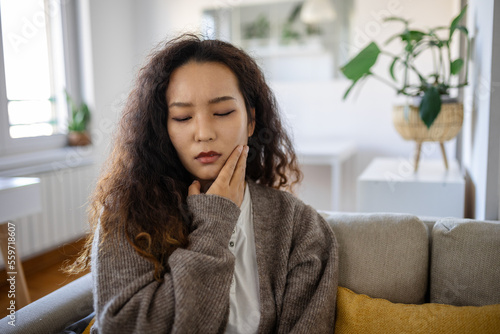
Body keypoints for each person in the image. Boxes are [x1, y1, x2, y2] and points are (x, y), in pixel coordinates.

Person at [69, 33, 338, 333]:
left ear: (251, 121)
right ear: (163, 128)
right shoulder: (127, 213)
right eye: (183, 117)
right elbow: (124, 326)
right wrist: (213, 223)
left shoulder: (300, 226)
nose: (204, 132)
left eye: (222, 112)